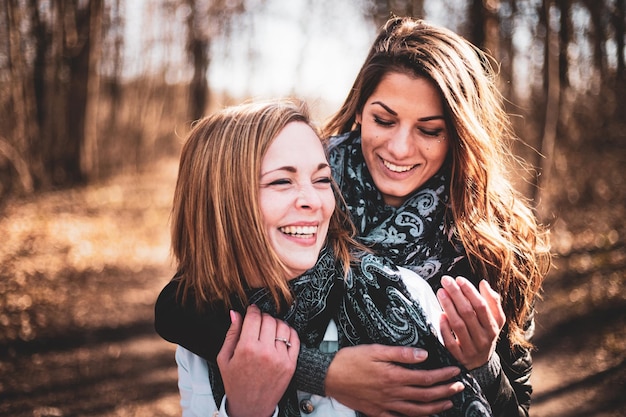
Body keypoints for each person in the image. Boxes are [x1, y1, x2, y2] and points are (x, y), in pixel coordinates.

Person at [156, 16, 551, 417]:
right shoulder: (309, 181)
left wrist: (482, 364)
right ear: (360, 110)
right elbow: (181, 305)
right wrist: (321, 372)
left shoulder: (496, 243)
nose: (399, 148)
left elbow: (515, 406)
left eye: (429, 130)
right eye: (384, 119)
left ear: (458, 135)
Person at [168, 98, 492, 417]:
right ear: (220, 203)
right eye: (282, 181)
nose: (313, 200)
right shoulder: (202, 333)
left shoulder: (405, 296)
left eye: (322, 180)